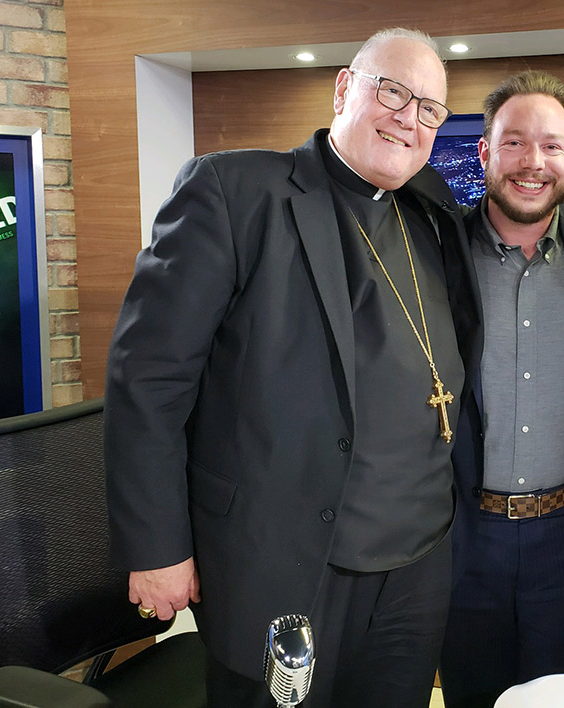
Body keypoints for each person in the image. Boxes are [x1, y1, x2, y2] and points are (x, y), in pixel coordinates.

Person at [104, 28, 481, 708]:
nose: (408, 117)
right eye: (391, 90)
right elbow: (147, 381)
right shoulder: (233, 192)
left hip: (417, 567)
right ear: (343, 87)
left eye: (430, 108)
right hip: (285, 561)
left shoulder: (431, 211)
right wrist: (157, 548)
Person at [439, 71, 564, 708]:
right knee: (472, 692)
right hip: (465, 532)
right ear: (484, 152)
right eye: (515, 142)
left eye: (552, 146)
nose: (533, 162)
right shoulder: (436, 252)